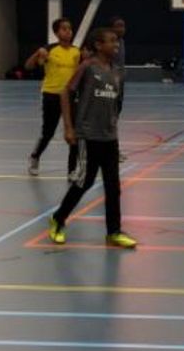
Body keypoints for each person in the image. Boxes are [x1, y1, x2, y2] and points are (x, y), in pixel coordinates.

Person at [47, 27, 137, 249]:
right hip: (88, 136)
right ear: (98, 45)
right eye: (111, 41)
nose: (116, 45)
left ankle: (113, 232)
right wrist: (69, 128)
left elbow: (116, 102)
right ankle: (58, 220)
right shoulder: (87, 67)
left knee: (113, 186)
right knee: (83, 182)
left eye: (117, 42)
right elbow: (65, 93)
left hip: (110, 137)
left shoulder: (117, 71)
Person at [25, 18, 82, 177]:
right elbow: (28, 66)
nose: (68, 31)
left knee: (74, 133)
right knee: (48, 133)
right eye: (64, 29)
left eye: (70, 29)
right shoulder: (48, 49)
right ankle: (35, 157)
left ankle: (72, 170)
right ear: (56, 33)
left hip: (70, 97)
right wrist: (37, 53)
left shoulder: (76, 52)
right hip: (51, 95)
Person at [110, 16, 129, 162]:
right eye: (118, 26)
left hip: (120, 86)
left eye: (123, 26)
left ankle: (113, 151)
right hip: (109, 86)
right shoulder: (108, 43)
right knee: (109, 120)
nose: (121, 29)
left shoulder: (121, 42)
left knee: (114, 119)